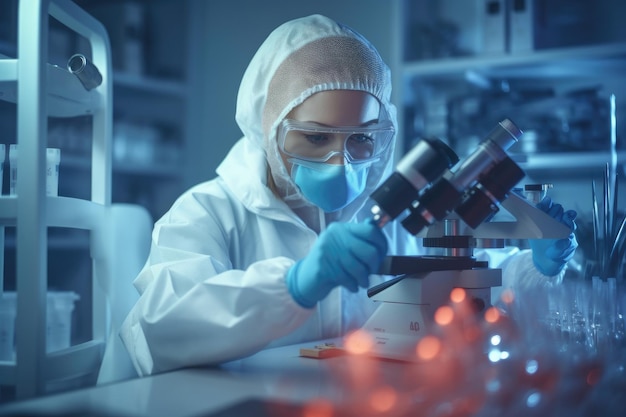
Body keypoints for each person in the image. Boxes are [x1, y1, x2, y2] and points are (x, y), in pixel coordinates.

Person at [118, 14, 578, 377]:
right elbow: (159, 330)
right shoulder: (208, 212)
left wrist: (533, 268)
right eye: (317, 139)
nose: (344, 160)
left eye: (361, 139)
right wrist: (295, 283)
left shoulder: (387, 215)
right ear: (269, 129)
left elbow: (456, 282)